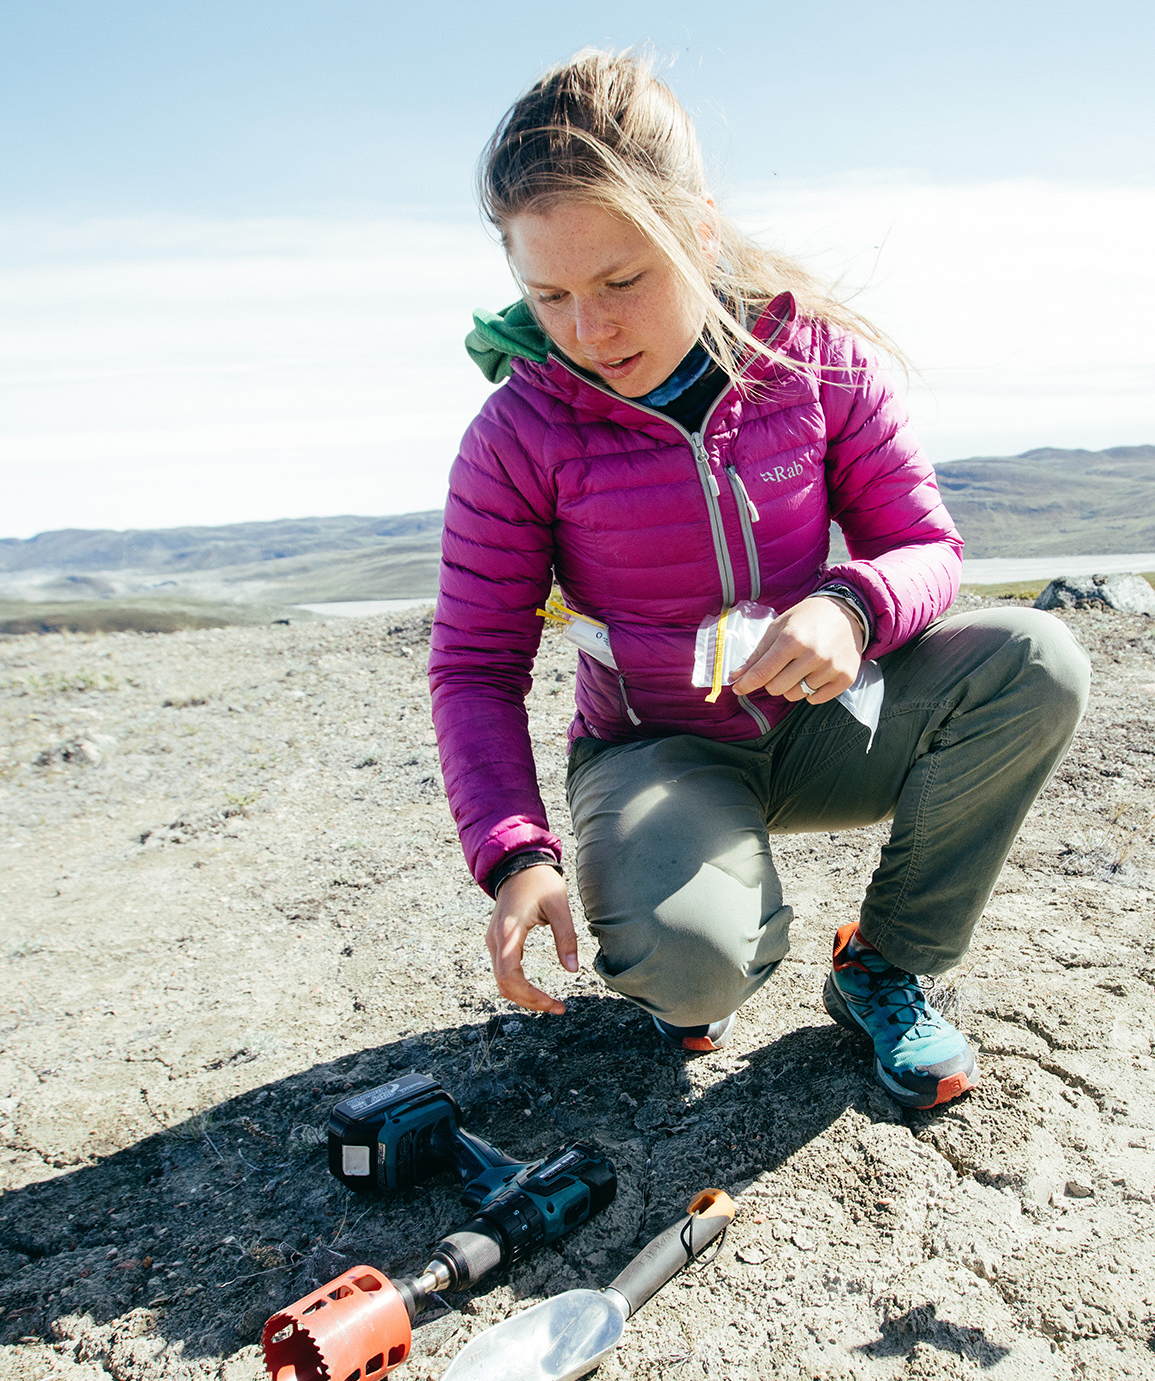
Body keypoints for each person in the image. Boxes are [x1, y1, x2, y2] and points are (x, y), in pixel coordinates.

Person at [430, 50, 1089, 1109]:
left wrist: (851, 604)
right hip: (657, 750)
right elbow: (473, 664)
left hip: (826, 718)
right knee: (691, 972)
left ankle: (883, 963)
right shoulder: (520, 433)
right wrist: (516, 856)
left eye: (621, 281)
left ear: (695, 231)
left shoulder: (814, 363)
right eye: (545, 294)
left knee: (1035, 660)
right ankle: (704, 945)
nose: (589, 330)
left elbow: (928, 548)